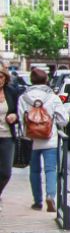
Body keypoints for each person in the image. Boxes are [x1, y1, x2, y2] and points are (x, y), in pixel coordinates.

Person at [18, 67, 69, 212]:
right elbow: (63, 119)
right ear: (46, 80)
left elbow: (22, 119)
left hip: (31, 140)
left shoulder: (23, 97)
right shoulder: (52, 97)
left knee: (34, 171)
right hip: (50, 139)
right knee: (50, 169)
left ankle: (37, 202)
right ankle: (51, 196)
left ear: (31, 80)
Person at [0, 68, 24, 212]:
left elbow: (18, 111)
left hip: (7, 136)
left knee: (6, 172)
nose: (0, 80)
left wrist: (14, 116)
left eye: (2, 77)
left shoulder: (11, 92)